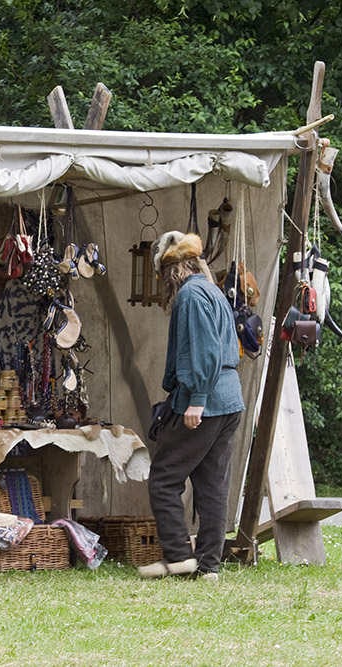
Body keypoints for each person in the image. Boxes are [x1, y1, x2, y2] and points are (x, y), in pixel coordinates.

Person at [138, 231, 245, 581]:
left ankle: (181, 558)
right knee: (212, 484)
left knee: (164, 479)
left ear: (172, 272)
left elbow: (206, 351)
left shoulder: (191, 295)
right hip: (228, 399)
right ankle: (209, 566)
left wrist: (196, 400)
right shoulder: (212, 290)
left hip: (208, 400)